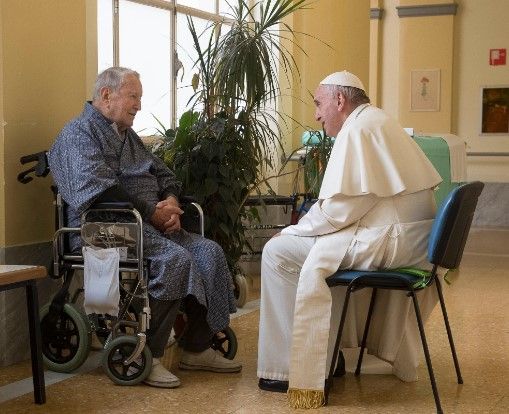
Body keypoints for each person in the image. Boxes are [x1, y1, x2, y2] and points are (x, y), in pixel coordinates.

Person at [256, 71, 443, 408]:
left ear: (339, 100)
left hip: (388, 240)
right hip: (404, 237)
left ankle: (287, 370)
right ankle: (329, 356)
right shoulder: (377, 120)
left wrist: (292, 229)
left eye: (319, 104)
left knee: (278, 251)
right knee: (313, 254)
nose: (316, 115)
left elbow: (339, 209)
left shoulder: (358, 129)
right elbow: (352, 204)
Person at [49, 66, 241, 389]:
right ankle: (147, 355)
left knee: (209, 253)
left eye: (139, 97)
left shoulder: (127, 136)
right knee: (174, 260)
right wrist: (152, 213)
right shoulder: (77, 134)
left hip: (148, 224)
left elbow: (165, 175)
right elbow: (99, 190)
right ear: (106, 96)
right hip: (104, 228)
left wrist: (171, 204)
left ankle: (195, 347)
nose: (138, 105)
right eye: (133, 97)